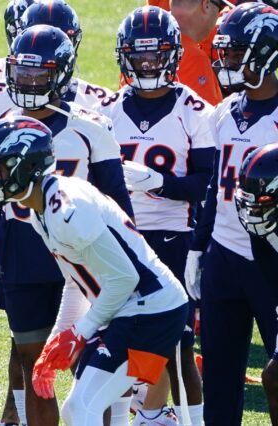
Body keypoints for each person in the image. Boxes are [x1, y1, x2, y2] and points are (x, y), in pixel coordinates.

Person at [0, 24, 134, 426]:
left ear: (62, 74)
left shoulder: (90, 127)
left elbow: (120, 207)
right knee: (35, 365)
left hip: (84, 256)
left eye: (40, 73)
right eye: (23, 72)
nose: (29, 81)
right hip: (22, 249)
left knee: (95, 362)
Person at [0, 115, 188, 426]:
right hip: (132, 308)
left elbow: (125, 279)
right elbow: (79, 280)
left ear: (25, 166)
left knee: (82, 408)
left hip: (150, 309)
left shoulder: (68, 210)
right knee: (79, 409)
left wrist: (81, 332)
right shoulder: (41, 207)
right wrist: (61, 336)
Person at [97, 6, 215, 425]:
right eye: (139, 55)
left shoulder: (195, 110)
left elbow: (208, 182)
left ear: (172, 55)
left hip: (171, 236)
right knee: (109, 344)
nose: (147, 63)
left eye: (155, 54)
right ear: (124, 56)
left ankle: (185, 419)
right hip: (116, 237)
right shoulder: (106, 111)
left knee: (178, 347)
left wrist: (158, 183)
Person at [184, 3, 278, 424]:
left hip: (272, 259)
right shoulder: (224, 111)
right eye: (225, 52)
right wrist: (197, 248)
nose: (226, 62)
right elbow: (212, 187)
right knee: (220, 379)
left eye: (237, 53)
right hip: (223, 254)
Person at [235, 143, 278, 424]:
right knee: (273, 378)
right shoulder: (260, 231)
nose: (253, 212)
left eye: (262, 203)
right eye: (249, 201)